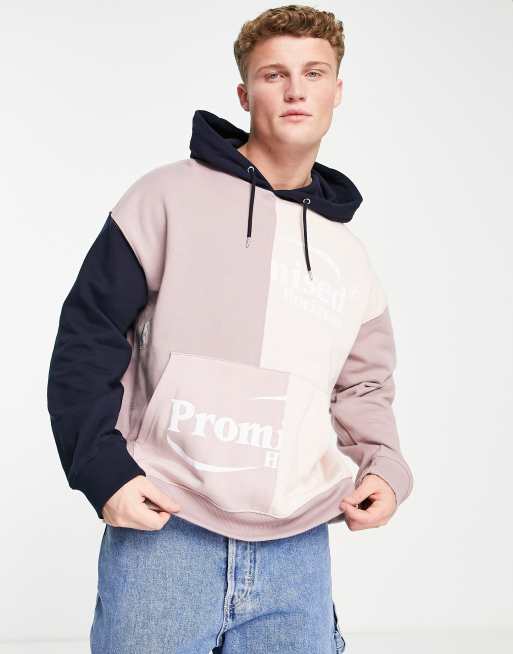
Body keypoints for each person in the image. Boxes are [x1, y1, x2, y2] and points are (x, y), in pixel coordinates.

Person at [47, 5, 414, 653]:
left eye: (313, 73)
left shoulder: (348, 254)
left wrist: (382, 467)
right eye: (274, 74)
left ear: (337, 90)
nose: (295, 90)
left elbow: (363, 386)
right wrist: (102, 471)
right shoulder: (164, 197)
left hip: (297, 547)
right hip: (167, 530)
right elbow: (89, 335)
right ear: (244, 94)